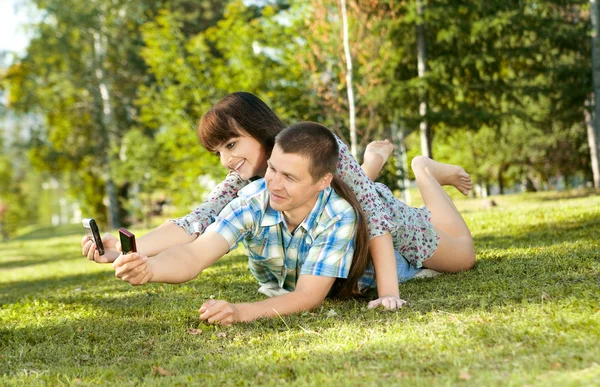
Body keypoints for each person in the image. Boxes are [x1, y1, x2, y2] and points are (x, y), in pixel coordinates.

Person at [82, 92, 476, 310]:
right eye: (217, 151)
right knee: (329, 196)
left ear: (259, 131)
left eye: (231, 144)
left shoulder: (318, 144)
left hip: (384, 217)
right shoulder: (242, 181)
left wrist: (389, 293)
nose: (226, 159)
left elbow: (372, 217)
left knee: (463, 258)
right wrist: (120, 249)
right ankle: (371, 159)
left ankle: (424, 171)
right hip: (335, 202)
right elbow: (195, 223)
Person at [112, 122, 370, 325]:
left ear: (323, 182)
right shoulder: (253, 200)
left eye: (289, 177)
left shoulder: (339, 214)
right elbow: (195, 252)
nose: (274, 184)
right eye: (272, 169)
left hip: (373, 271)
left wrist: (239, 312)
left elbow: (308, 296)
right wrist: (150, 268)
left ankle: (382, 162)